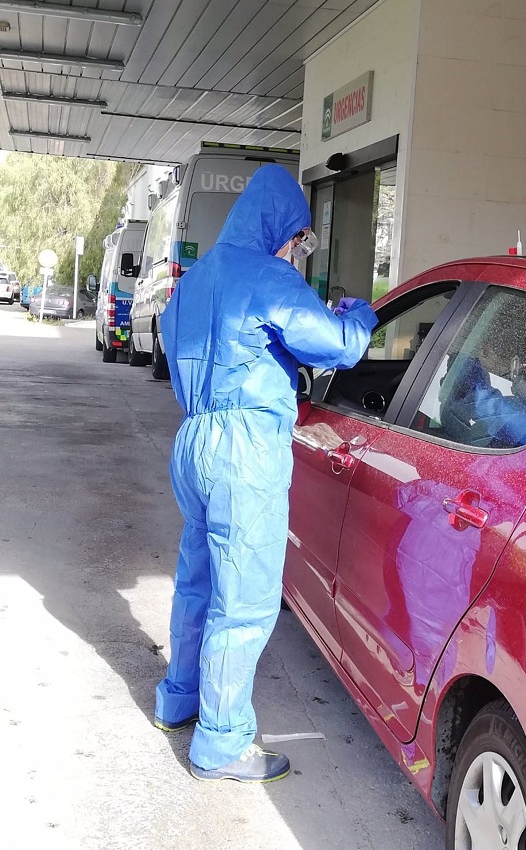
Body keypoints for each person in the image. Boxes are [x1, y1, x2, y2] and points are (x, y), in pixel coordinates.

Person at [154, 164, 377, 784]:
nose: (294, 249)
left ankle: (179, 698)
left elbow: (181, 345)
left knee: (196, 577)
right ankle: (222, 745)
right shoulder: (269, 278)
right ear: (279, 225)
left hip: (194, 437)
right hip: (243, 449)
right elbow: (335, 342)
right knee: (244, 600)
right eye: (295, 237)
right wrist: (359, 314)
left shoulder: (195, 280)